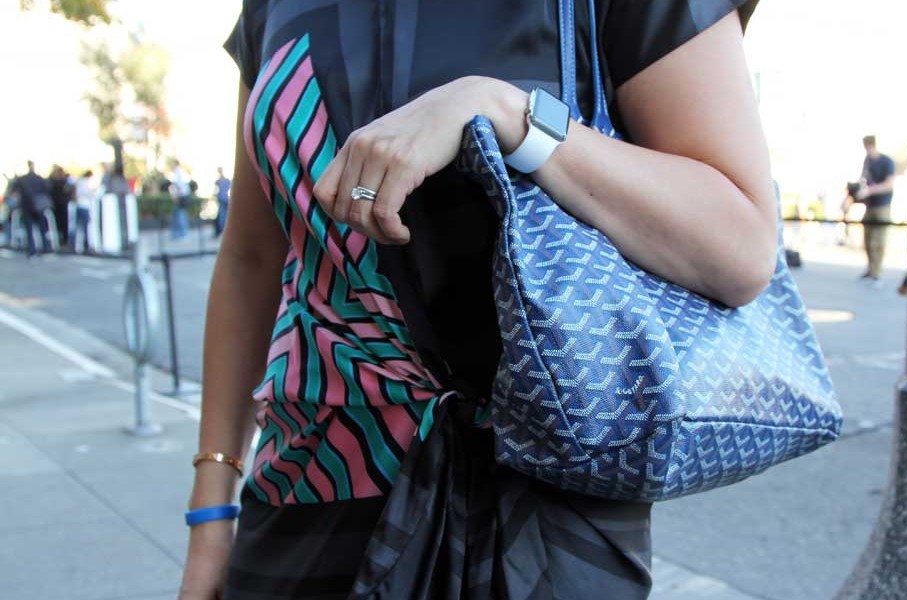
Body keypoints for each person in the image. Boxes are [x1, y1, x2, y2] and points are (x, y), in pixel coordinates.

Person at [179, 2, 775, 599]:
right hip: (306, 482)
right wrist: (211, 507)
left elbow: (741, 243)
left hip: (536, 498)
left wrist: (504, 112)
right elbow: (252, 256)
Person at [844, 135, 895, 283]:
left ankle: (876, 272)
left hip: (882, 205)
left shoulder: (886, 161)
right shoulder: (868, 161)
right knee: (868, 239)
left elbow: (888, 185)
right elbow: (863, 180)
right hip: (869, 205)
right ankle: (870, 268)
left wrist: (870, 191)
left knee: (878, 241)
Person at [13, 160, 53, 257]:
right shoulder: (39, 179)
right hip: (38, 206)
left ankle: (32, 249)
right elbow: (47, 189)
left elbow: (16, 191)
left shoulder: (22, 179)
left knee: (29, 229)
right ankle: (45, 247)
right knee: (42, 228)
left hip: (27, 206)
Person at [48, 164, 74, 248]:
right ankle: (60, 239)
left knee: (63, 223)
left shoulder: (64, 181)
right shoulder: (53, 181)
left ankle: (64, 240)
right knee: (57, 223)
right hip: (57, 205)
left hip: (62, 205)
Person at [71, 170, 96, 253]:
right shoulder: (85, 183)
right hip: (85, 205)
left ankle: (74, 244)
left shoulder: (79, 182)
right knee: (85, 227)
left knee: (78, 226)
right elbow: (88, 193)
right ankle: (86, 245)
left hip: (79, 205)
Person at [168, 159, 191, 239]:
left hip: (180, 197)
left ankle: (181, 232)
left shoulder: (177, 172)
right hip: (182, 196)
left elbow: (178, 186)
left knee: (180, 214)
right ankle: (181, 232)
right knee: (181, 214)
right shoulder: (180, 172)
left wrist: (175, 196)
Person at [213, 167, 231, 237]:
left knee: (223, 215)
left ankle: (224, 230)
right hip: (224, 199)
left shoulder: (221, 181)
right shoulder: (219, 181)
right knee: (223, 215)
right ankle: (224, 230)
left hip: (224, 199)